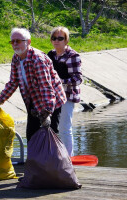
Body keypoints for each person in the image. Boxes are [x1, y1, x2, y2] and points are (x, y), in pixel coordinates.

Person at [0, 27, 66, 142]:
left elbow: (46, 87)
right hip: (33, 101)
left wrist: (47, 113)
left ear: (28, 42)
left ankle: (55, 159)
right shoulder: (16, 58)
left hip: (52, 101)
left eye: (19, 41)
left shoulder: (38, 59)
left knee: (51, 136)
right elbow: (12, 83)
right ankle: (35, 159)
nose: (15, 44)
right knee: (31, 135)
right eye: (13, 41)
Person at [47, 26, 82, 156]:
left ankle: (68, 158)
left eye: (60, 38)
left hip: (68, 95)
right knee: (50, 126)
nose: (56, 41)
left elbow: (77, 79)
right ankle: (54, 156)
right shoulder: (50, 55)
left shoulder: (73, 56)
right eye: (54, 38)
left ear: (66, 41)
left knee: (65, 128)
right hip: (52, 96)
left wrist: (59, 81)